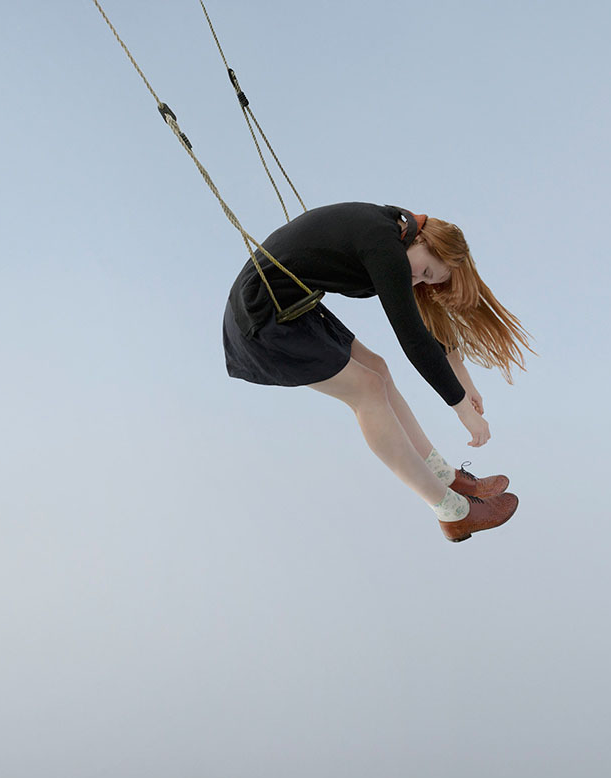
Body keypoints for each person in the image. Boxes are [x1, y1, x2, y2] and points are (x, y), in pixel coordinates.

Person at [223, 203, 531, 542]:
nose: (417, 280)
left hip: (293, 306)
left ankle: (441, 474)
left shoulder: (398, 231)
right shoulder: (384, 246)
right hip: (261, 316)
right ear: (424, 242)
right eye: (426, 272)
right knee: (368, 388)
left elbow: (429, 329)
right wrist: (461, 409)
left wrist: (466, 385)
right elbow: (412, 339)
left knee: (377, 369)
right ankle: (452, 510)